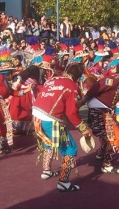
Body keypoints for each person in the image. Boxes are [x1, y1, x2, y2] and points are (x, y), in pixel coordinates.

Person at [32, 63, 92, 192]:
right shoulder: (72, 86)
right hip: (51, 119)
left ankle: (46, 171)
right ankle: (63, 181)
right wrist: (83, 128)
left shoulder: (53, 79)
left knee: (49, 142)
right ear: (78, 77)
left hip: (37, 116)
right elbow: (71, 112)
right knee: (70, 149)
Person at [79, 62, 119, 174]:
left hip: (101, 111)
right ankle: (107, 164)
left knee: (106, 135)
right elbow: (94, 89)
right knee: (117, 138)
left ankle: (101, 153)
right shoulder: (112, 80)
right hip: (99, 111)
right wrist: (80, 103)